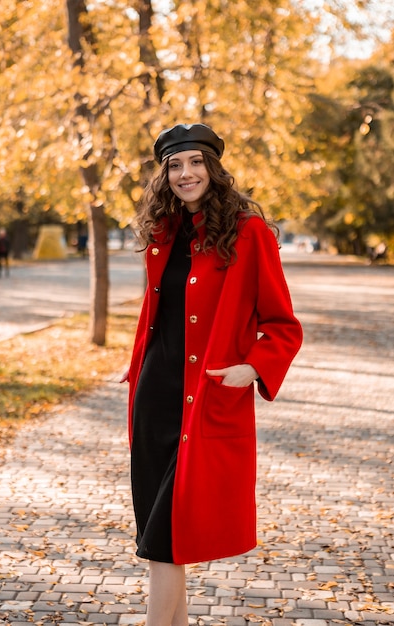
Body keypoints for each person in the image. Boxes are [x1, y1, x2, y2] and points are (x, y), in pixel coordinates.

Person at [121, 123, 303, 626]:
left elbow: (284, 325)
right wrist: (137, 363)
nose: (185, 174)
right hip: (155, 395)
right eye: (174, 166)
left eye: (195, 162)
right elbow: (160, 312)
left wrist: (253, 368)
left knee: (166, 538)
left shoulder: (249, 233)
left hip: (204, 398)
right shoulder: (163, 232)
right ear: (165, 176)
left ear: (213, 168)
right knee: (162, 537)